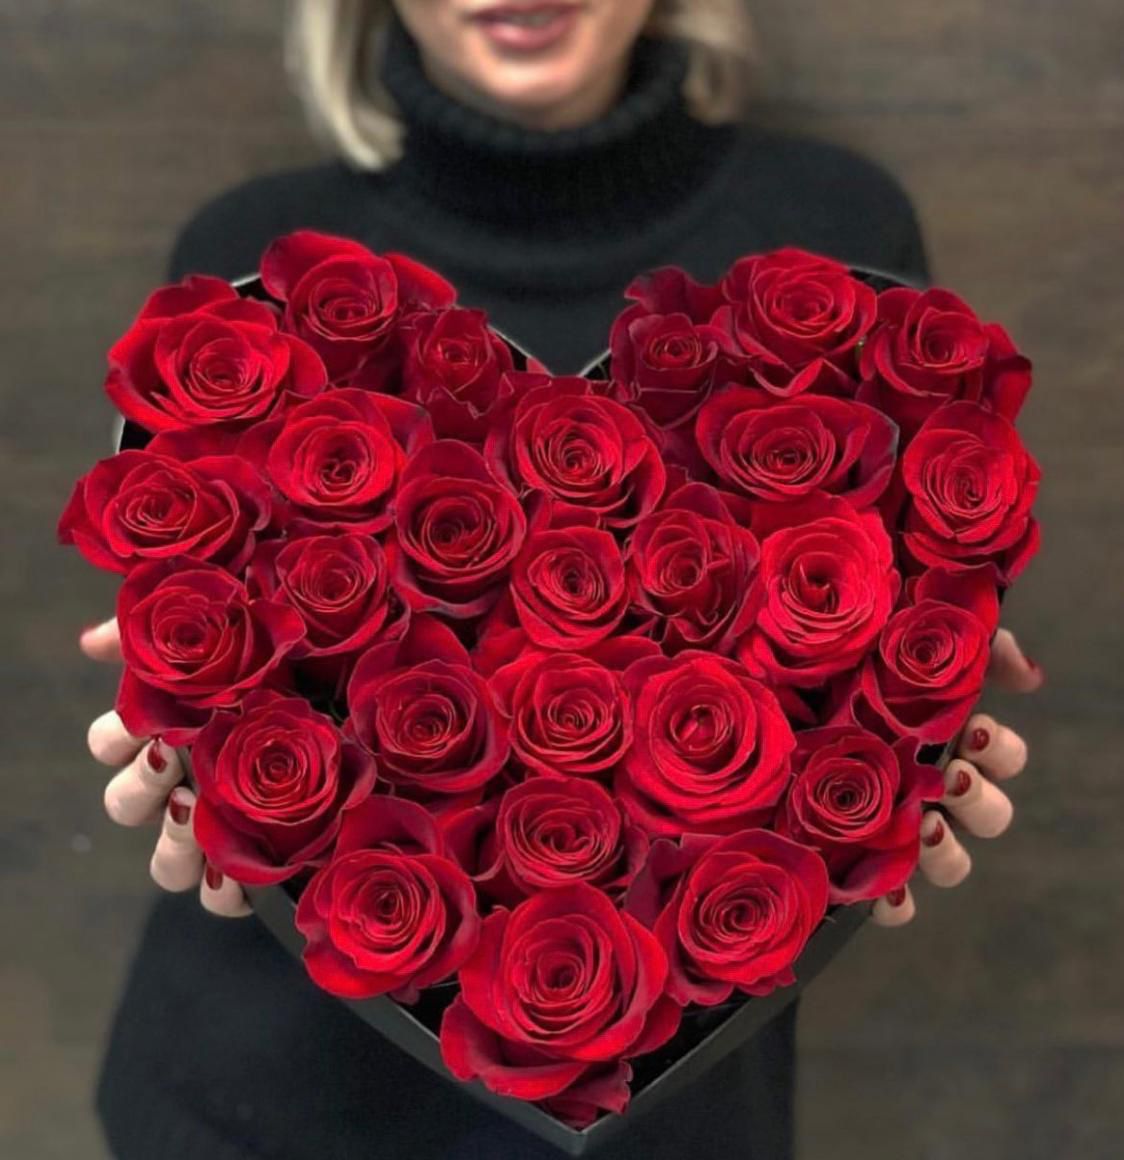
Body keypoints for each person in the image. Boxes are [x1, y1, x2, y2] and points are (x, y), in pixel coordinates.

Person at [82, 2, 1043, 1157]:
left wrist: (910, 715)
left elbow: (892, 603)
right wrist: (184, 721)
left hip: (673, 1106)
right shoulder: (251, 255)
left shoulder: (836, 230)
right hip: (261, 1100)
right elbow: (199, 632)